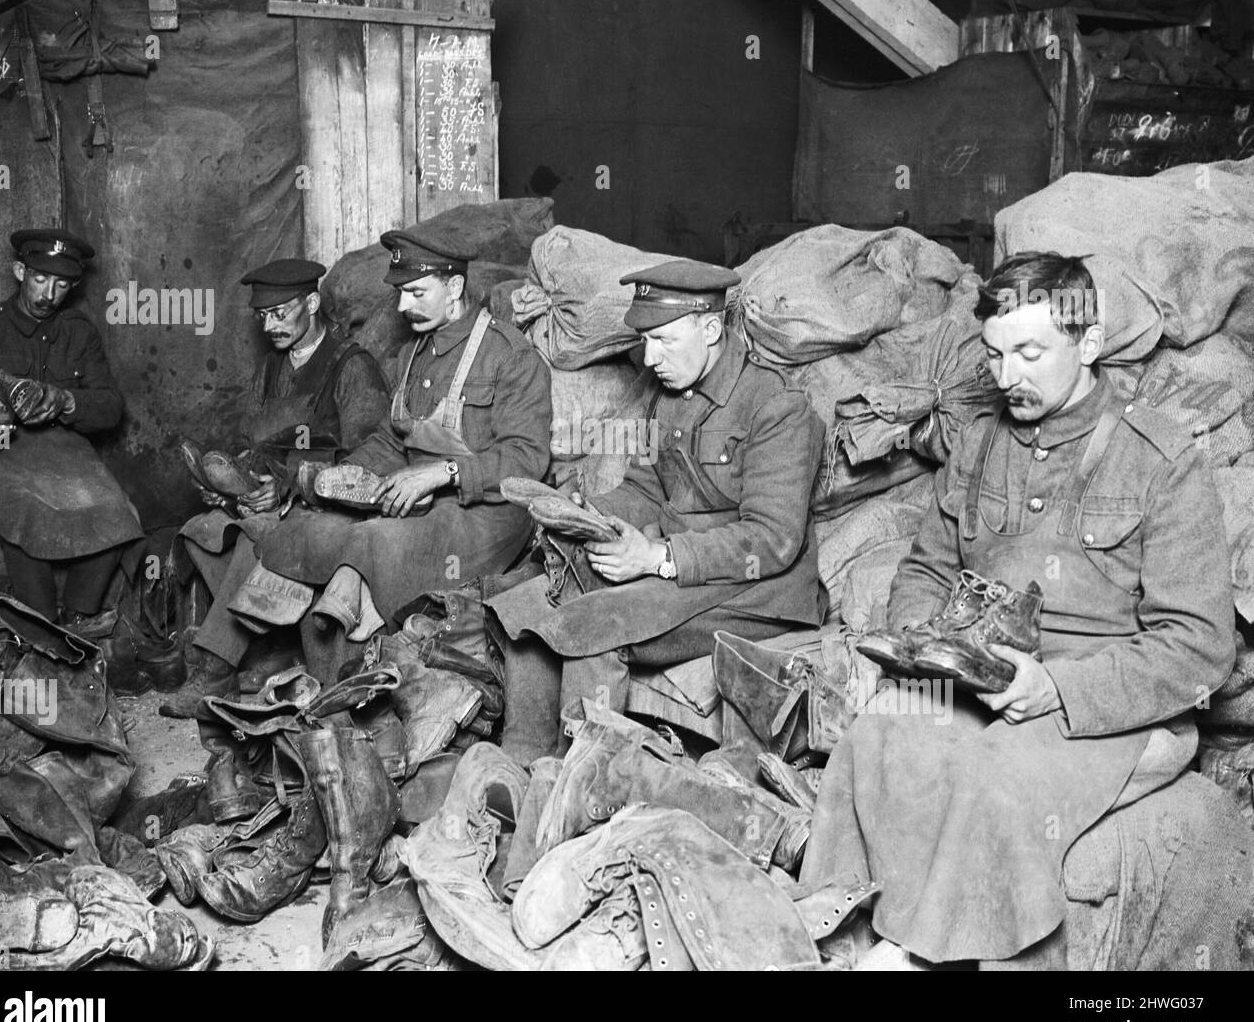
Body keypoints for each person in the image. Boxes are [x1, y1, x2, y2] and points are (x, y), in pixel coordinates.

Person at [800, 252, 1236, 968]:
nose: (1007, 378)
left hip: (1109, 709)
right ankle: (842, 932)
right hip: (978, 677)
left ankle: (919, 955)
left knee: (987, 779)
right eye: (996, 355)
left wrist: (1055, 690)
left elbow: (1200, 648)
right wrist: (908, 654)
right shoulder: (978, 443)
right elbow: (928, 568)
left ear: (1088, 345)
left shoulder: (1159, 457)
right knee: (874, 738)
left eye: (1031, 354)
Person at [487, 259, 826, 763]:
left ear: (711, 328)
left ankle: (584, 782)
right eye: (644, 340)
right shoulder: (666, 397)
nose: (649, 357)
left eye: (663, 340)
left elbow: (772, 539)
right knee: (526, 602)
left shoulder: (777, 408)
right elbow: (647, 490)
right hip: (681, 573)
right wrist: (584, 513)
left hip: (760, 588)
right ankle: (521, 765)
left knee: (595, 623)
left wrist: (657, 557)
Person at [246, 220, 553, 681]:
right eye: (400, 293)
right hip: (418, 503)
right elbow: (394, 439)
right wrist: (342, 474)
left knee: (372, 540)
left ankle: (360, 673)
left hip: (489, 512)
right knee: (310, 527)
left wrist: (444, 472)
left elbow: (528, 460)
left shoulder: (510, 356)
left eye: (416, 292)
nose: (403, 306)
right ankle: (325, 678)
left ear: (454, 287)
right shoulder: (413, 355)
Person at [162, 259, 390, 723]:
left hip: (332, 505)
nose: (271, 325)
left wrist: (287, 487)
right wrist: (238, 482)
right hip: (277, 495)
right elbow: (253, 443)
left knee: (260, 538)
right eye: (263, 317)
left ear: (311, 303)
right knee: (204, 529)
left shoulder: (352, 367)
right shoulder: (270, 369)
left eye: (282, 312)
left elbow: (367, 463)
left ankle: (216, 667)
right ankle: (271, 651)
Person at [0, 229, 143, 622]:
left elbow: (110, 407)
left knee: (119, 514)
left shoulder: (79, 331)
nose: (48, 294)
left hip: (64, 454)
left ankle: (77, 619)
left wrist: (68, 400)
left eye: (61, 284)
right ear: (20, 271)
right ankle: (38, 624)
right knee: (25, 509)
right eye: (40, 279)